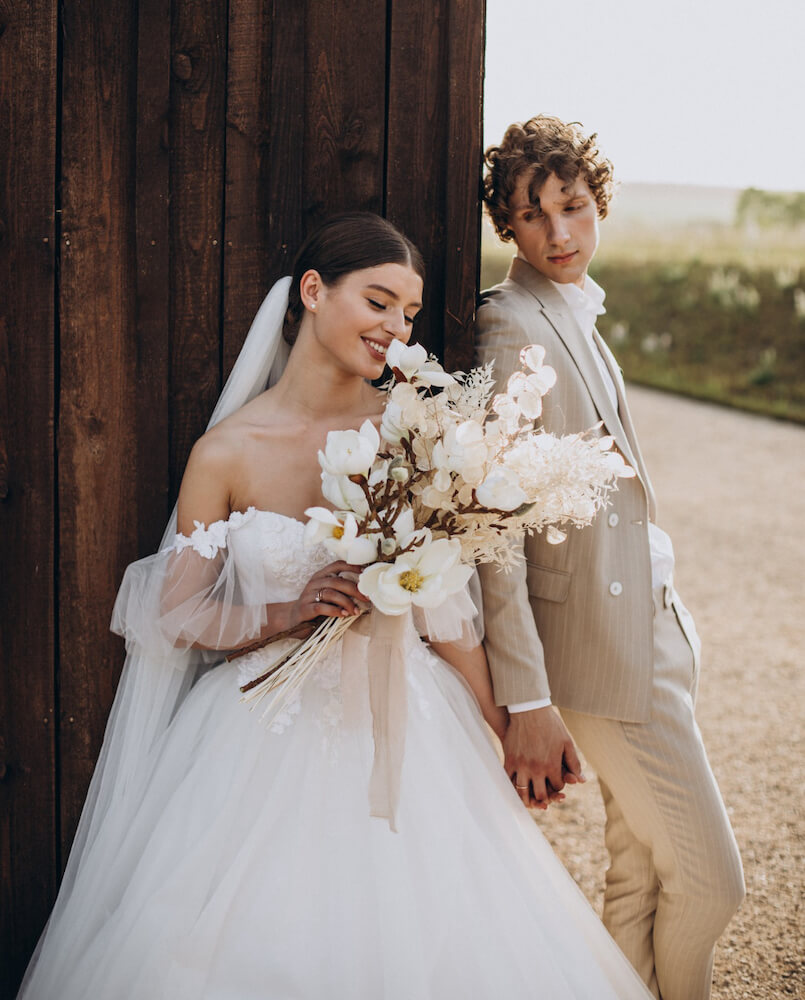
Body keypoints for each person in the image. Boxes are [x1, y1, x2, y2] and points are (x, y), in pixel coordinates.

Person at [18, 212, 652, 1000]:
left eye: (409, 313)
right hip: (254, 734)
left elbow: (448, 616)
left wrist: (510, 725)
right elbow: (177, 615)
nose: (394, 327)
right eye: (378, 301)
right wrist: (289, 611)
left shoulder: (411, 433)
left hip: (406, 725)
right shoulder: (225, 453)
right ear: (313, 292)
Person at [475, 116, 745, 1000]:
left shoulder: (570, 310)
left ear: (599, 206)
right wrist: (528, 697)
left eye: (574, 207)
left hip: (652, 629)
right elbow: (494, 532)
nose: (559, 233)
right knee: (713, 883)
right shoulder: (509, 327)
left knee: (637, 880)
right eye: (533, 214)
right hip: (602, 656)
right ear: (506, 227)